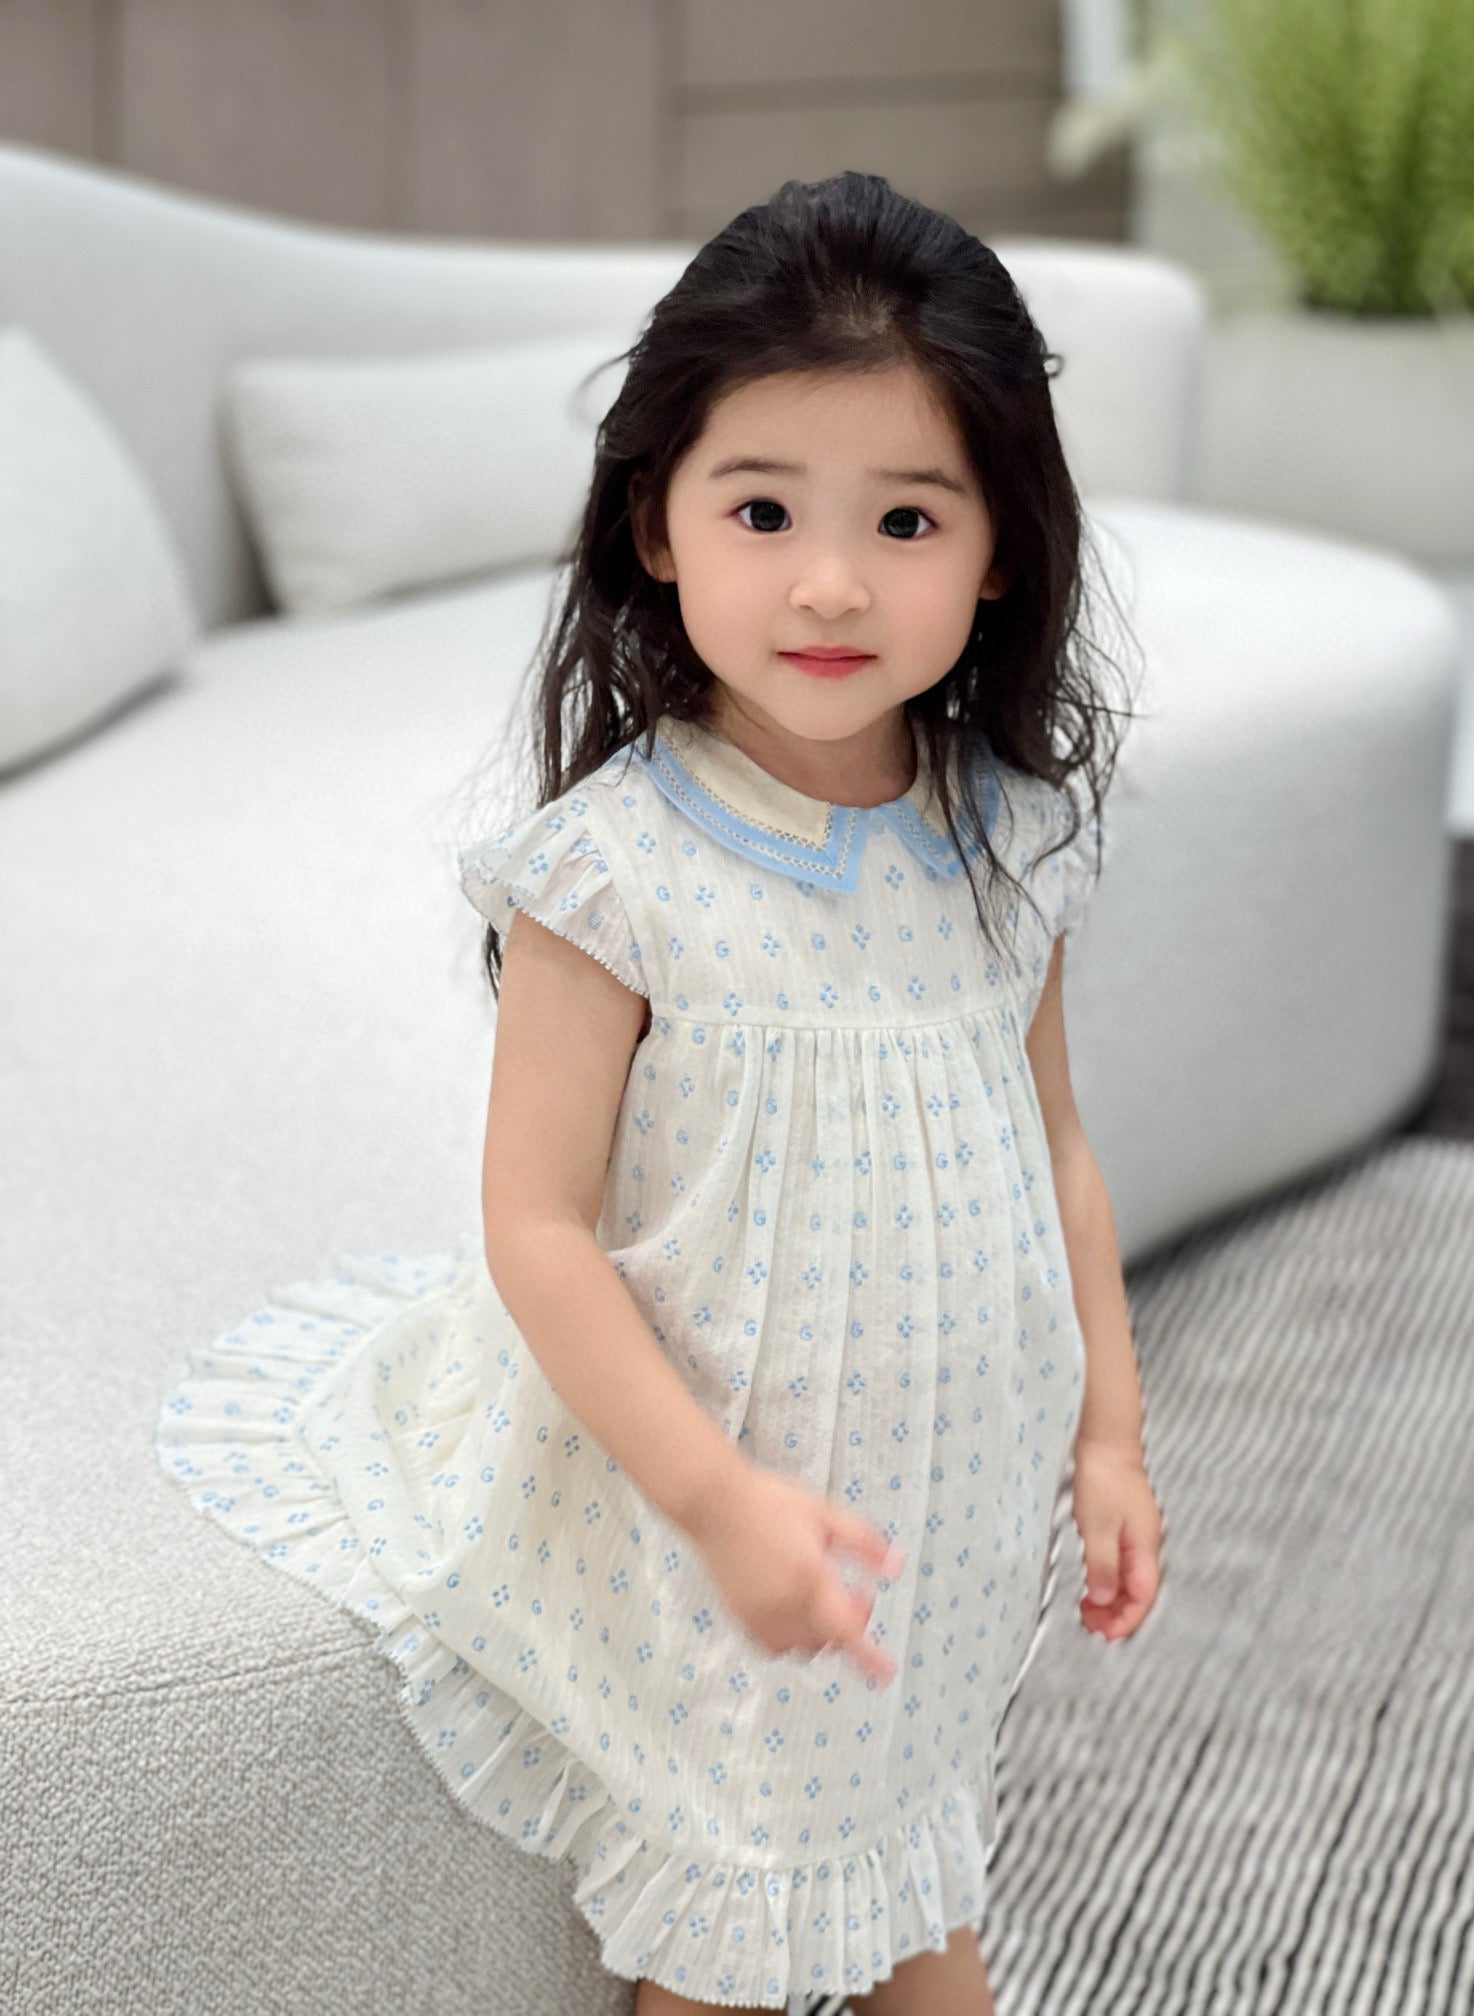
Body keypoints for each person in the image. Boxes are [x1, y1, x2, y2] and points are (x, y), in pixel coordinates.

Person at [156, 169, 1164, 2016]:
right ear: (659, 525)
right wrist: (716, 1503)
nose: (832, 581)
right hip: (704, 1502)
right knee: (737, 1916)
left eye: (907, 517)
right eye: (762, 510)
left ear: (1000, 550)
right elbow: (536, 1230)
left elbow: (1060, 1148)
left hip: (941, 1506)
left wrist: (1109, 1433)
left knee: (911, 1870)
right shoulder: (614, 878)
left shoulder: (1009, 843)